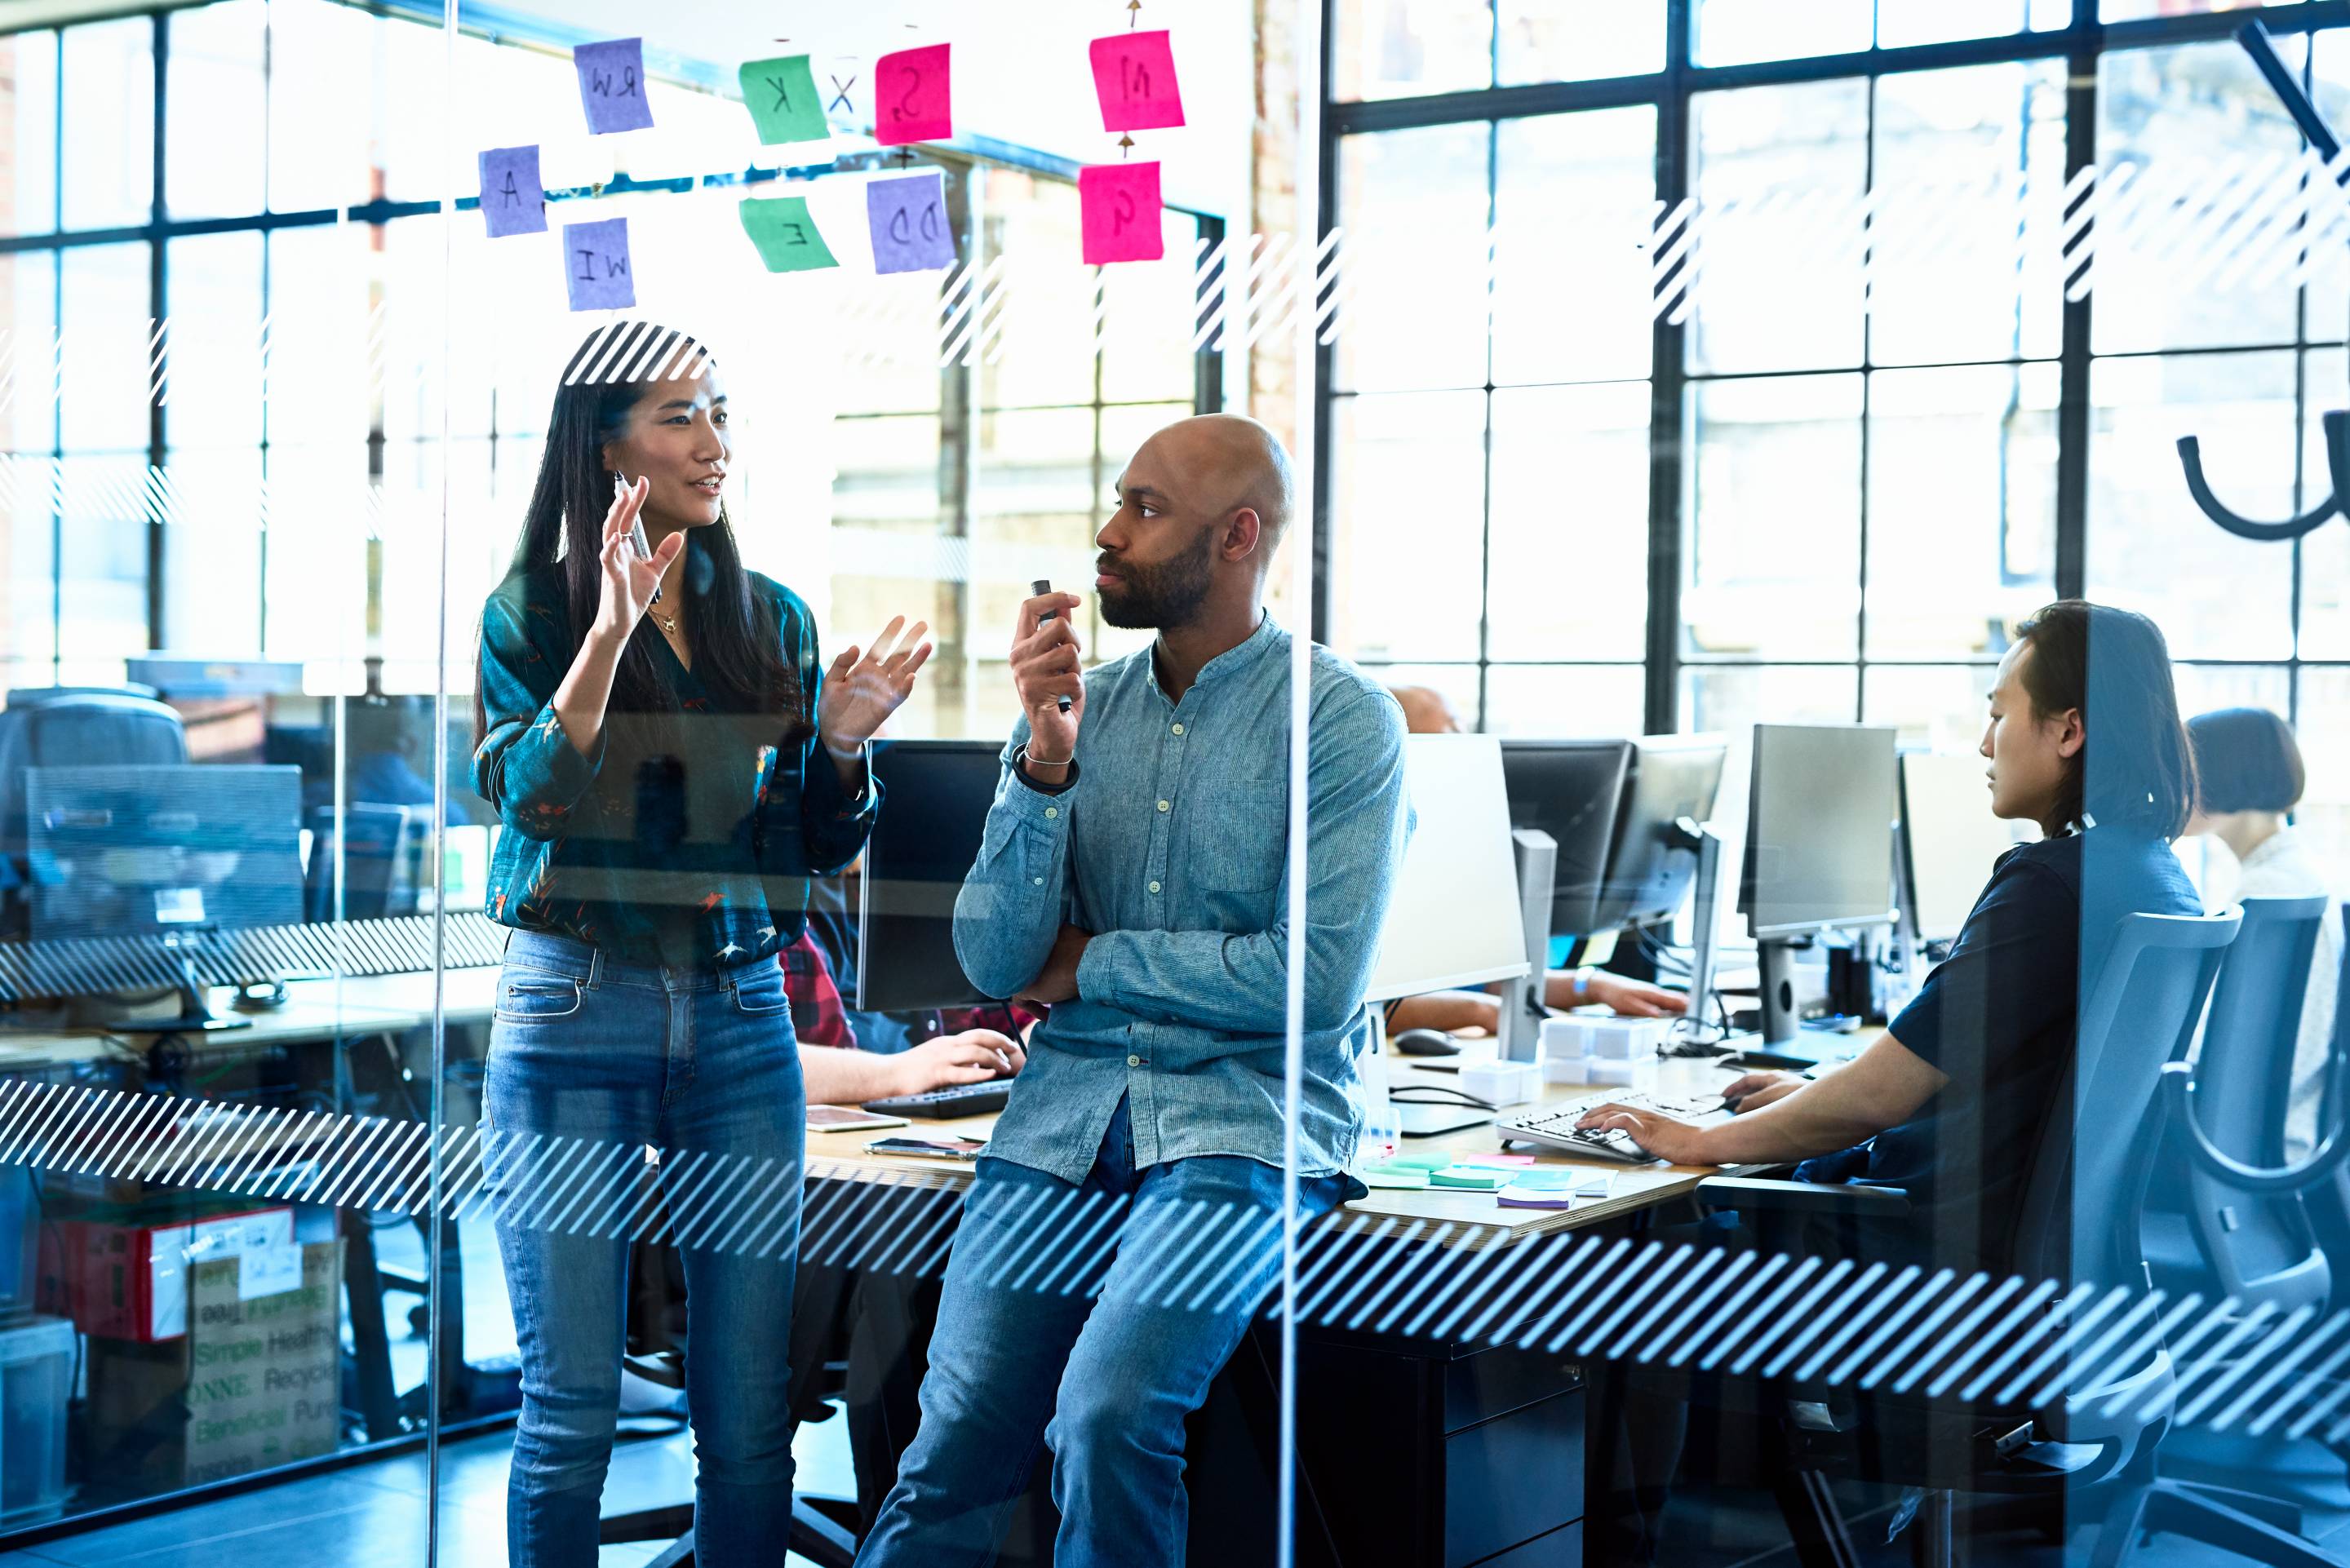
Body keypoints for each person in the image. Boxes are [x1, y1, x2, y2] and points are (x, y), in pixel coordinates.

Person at [855, 414, 1412, 1566]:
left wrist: (1092, 960)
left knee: (1108, 1415)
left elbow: (1307, 980)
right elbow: (998, 959)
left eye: (1146, 510)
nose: (1109, 534)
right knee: (953, 1436)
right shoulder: (1084, 708)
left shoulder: (1340, 718)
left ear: (1239, 536)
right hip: (1064, 1116)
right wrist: (1043, 763)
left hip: (1242, 1122)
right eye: (1119, 500)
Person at [470, 324, 929, 1567]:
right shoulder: (533, 613)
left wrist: (840, 744)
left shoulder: (768, 618)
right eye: (679, 415)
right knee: (568, 1415)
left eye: (719, 411)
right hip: (578, 1010)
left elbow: (803, 851)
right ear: (603, 441)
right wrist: (609, 633)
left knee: (746, 1422)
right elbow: (534, 798)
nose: (713, 443)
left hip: (740, 1018)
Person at [1581, 600, 2201, 1272]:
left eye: (1999, 714)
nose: (1986, 743)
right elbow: (1978, 1083)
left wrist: (1701, 1138)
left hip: (1912, 1263)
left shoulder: (2049, 888)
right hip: (2034, 1266)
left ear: (2068, 731)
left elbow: (1879, 1098)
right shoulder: (2154, 877)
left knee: (1611, 1248)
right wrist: (1816, 1096)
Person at [1383, 682, 1687, 1026]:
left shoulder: (1448, 854)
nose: (1466, 745)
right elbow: (1362, 1003)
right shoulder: (1370, 859)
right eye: (1450, 731)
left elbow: (1487, 979)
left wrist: (1591, 986)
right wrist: (1485, 1012)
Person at [2184, 706, 2339, 1159]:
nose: (2172, 786)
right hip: (2268, 1131)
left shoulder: (2269, 891)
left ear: (2221, 778)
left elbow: (2221, 1049)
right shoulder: (2295, 876)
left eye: (2184, 770)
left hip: (2245, 1145)